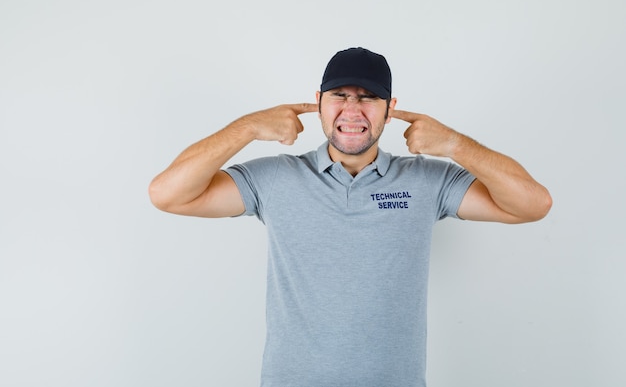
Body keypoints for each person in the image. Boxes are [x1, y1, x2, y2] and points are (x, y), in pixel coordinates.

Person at [149, 47, 552, 387]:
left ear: (390, 109)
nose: (352, 109)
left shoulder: (427, 180)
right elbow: (167, 194)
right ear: (319, 102)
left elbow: (533, 205)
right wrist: (248, 128)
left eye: (369, 98)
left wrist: (454, 144)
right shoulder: (276, 178)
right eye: (339, 95)